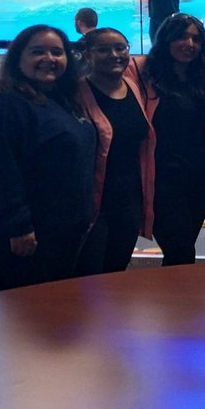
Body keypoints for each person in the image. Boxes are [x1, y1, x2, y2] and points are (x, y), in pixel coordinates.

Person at [0, 25, 96, 290]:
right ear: (18, 58)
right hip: (30, 234)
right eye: (37, 52)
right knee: (26, 315)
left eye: (57, 52)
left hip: (63, 229)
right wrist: (18, 226)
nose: (49, 59)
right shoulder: (8, 105)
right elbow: (2, 172)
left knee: (53, 310)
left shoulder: (60, 101)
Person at [137, 13, 205, 266]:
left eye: (196, 38)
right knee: (180, 250)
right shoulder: (146, 75)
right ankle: (182, 302)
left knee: (183, 250)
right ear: (166, 39)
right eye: (182, 37)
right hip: (163, 176)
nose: (190, 44)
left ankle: (180, 302)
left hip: (197, 173)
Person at [76, 28, 154, 275]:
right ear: (88, 54)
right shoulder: (75, 94)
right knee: (89, 275)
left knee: (115, 272)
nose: (114, 54)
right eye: (103, 49)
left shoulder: (132, 86)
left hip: (129, 200)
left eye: (120, 48)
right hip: (93, 203)